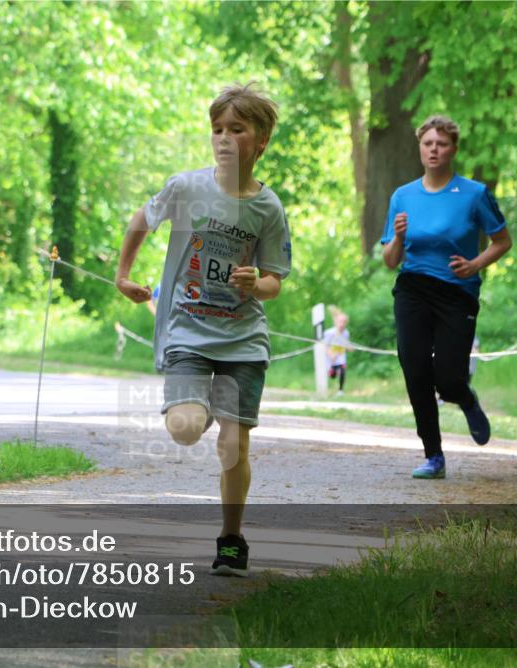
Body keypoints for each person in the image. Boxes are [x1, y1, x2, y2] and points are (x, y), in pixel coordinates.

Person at [116, 83, 290, 577]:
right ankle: (205, 405)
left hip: (243, 339)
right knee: (185, 429)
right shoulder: (187, 188)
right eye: (217, 128)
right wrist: (124, 275)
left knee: (233, 445)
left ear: (261, 142)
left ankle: (232, 540)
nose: (224, 138)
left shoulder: (267, 209)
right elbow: (140, 221)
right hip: (188, 331)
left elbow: (276, 279)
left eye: (237, 129)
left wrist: (258, 283)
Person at [380, 115, 512, 480]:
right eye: (427, 143)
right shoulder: (402, 196)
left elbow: (503, 241)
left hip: (457, 291)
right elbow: (390, 260)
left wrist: (475, 264)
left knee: (450, 379)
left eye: (441, 144)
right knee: (415, 367)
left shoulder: (473, 194)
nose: (434, 150)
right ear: (420, 148)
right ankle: (433, 455)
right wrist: (399, 238)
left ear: (453, 149)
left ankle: (466, 399)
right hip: (413, 289)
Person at [322, 308, 350, 396]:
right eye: (340, 321)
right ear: (336, 322)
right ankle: (331, 372)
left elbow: (346, 345)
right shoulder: (329, 333)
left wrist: (349, 347)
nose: (341, 324)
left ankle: (340, 391)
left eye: (343, 322)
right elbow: (325, 346)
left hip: (340, 358)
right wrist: (331, 355)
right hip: (330, 360)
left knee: (343, 370)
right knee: (332, 375)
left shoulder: (346, 333)